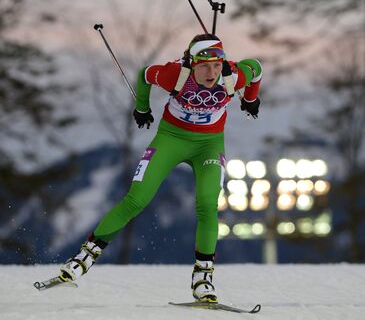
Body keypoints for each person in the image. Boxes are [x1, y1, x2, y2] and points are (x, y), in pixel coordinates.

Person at [57, 33, 262, 303]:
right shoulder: (174, 74)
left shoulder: (232, 75)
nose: (211, 73)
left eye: (216, 65)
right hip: (171, 139)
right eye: (203, 66)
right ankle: (82, 259)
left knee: (207, 205)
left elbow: (256, 67)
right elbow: (144, 74)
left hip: (209, 146)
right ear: (192, 63)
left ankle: (203, 278)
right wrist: (142, 108)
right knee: (135, 200)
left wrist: (250, 97)